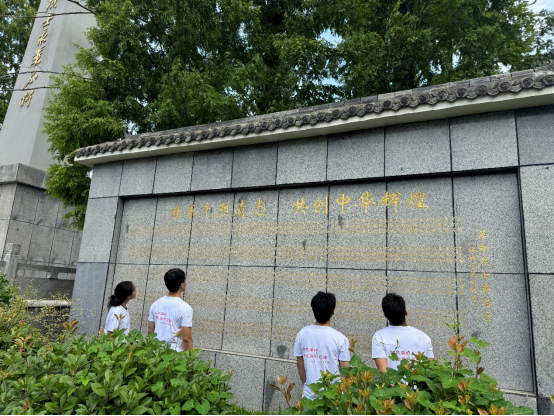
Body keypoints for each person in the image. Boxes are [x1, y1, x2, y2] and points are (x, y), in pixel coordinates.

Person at [294, 291, 351, 400]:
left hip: (309, 394)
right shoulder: (340, 338)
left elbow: (300, 364)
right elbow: (345, 371)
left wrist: (307, 385)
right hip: (333, 396)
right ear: (332, 312)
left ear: (313, 310)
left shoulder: (302, 333)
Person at [372, 293, 434, 374]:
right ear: (406, 313)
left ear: (385, 315)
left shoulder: (379, 336)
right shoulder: (424, 337)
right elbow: (430, 368)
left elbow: (383, 370)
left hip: (392, 382)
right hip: (418, 382)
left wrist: (397, 382)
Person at [147, 268, 193, 351]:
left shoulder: (155, 304)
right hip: (175, 354)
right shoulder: (185, 308)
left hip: (156, 352)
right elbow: (186, 339)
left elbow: (150, 331)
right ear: (182, 285)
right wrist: (189, 357)